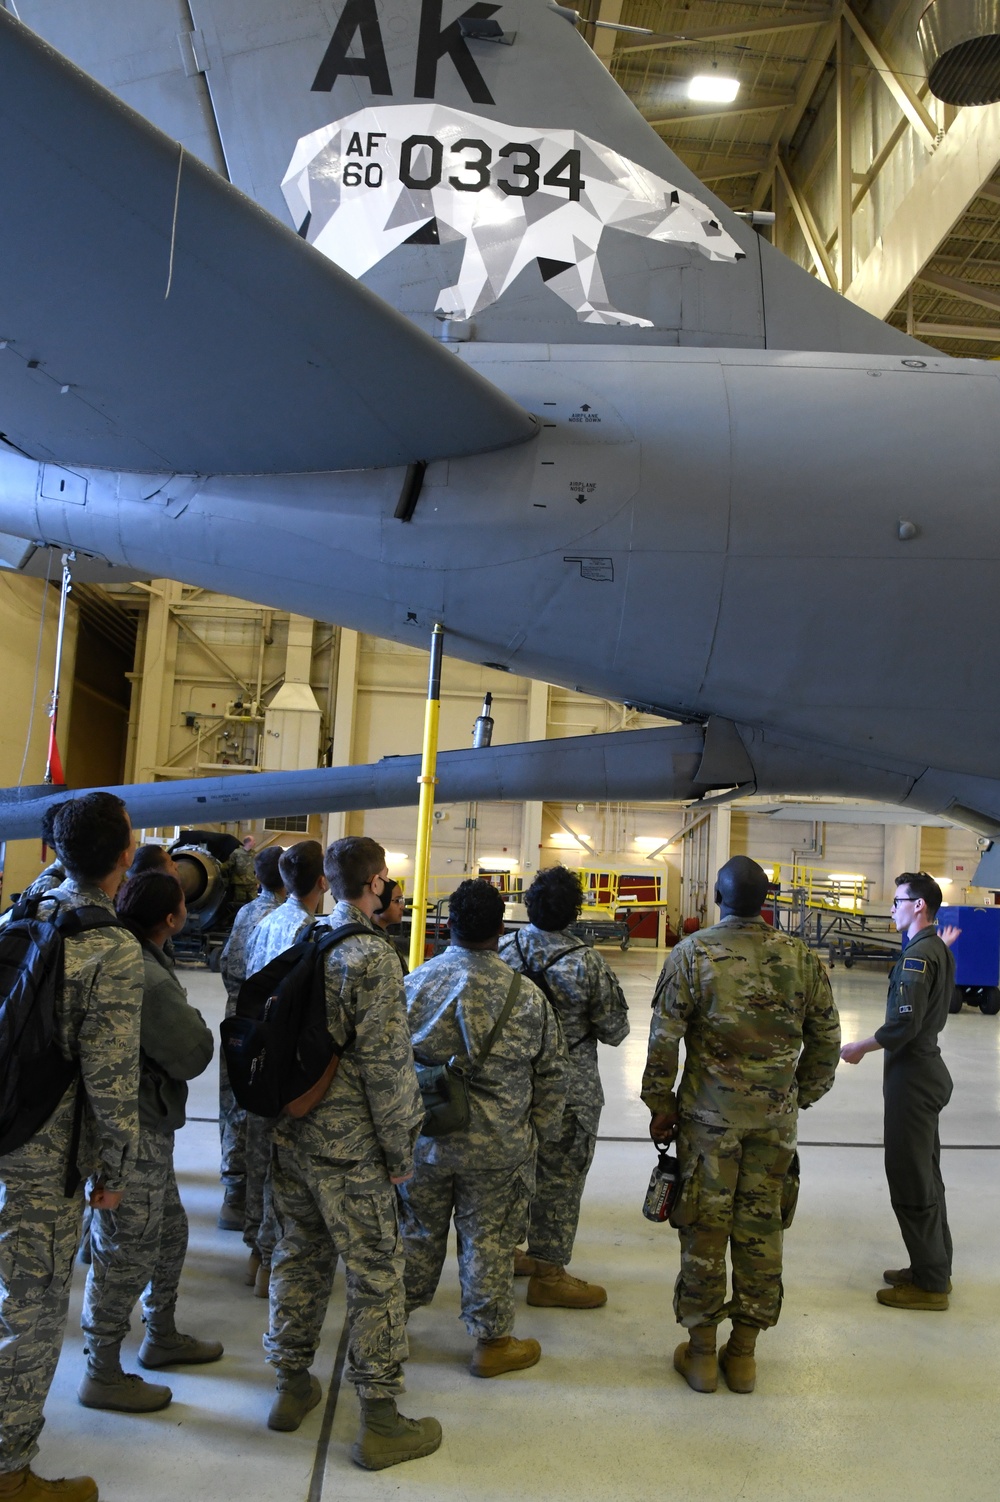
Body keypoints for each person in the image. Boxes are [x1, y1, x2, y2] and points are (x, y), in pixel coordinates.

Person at [263, 836, 440, 1471]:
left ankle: (289, 1387)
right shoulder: (371, 957)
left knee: (298, 1256)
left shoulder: (300, 936)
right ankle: (381, 1420)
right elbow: (389, 1070)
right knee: (376, 1275)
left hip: (292, 1137)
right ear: (374, 885)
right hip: (351, 1153)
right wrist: (400, 1153)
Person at [641, 855, 840, 1395]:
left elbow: (664, 1039)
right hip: (773, 1125)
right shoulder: (800, 957)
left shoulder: (693, 953)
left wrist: (660, 1105)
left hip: (708, 1122)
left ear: (718, 900)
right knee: (762, 1231)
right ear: (767, 900)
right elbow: (826, 1042)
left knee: (704, 1229)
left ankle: (702, 1354)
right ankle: (744, 1355)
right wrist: (797, 1096)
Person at [0, 792, 143, 1502]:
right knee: (27, 1314)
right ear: (126, 855)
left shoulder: (21, 913)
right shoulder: (108, 947)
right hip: (39, 1155)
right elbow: (111, 1079)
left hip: (1, 1126)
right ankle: (9, 1472)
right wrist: (111, 1173)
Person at [399, 879, 566, 1378]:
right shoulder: (528, 998)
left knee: (415, 1234)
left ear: (446, 924)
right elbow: (553, 1075)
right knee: (488, 1242)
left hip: (426, 1142)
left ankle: (390, 1324)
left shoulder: (415, 985)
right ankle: (492, 1344)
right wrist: (533, 1133)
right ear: (500, 930)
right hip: (499, 1149)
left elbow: (386, 1066)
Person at [78, 871, 220, 1413]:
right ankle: (102, 1371)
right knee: (124, 1254)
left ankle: (160, 1335)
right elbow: (193, 1052)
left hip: (143, 1130)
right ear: (171, 918)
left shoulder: (134, 955)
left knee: (170, 1235)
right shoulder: (147, 977)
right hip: (130, 1133)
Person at [500, 865, 629, 1308]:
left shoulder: (502, 952)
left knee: (512, 1171)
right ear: (574, 912)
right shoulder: (587, 963)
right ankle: (549, 1274)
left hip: (510, 1087)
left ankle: (510, 1253)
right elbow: (615, 1030)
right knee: (561, 1177)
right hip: (570, 1091)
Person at [840, 871, 955, 1311]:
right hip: (925, 1072)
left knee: (910, 1177)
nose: (891, 908)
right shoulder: (934, 948)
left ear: (918, 906)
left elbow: (904, 1023)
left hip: (913, 1075)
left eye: (897, 901)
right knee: (927, 1174)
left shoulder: (916, 958)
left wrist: (861, 1047)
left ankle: (929, 1284)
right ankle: (933, 1268)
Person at [241, 841, 327, 1298]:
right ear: (322, 882)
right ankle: (272, 1264)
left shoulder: (266, 922)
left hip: (255, 1052)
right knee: (285, 1167)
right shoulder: (310, 932)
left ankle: (257, 1253)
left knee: (260, 1160)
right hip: (285, 1062)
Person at [216, 846, 286, 1247]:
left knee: (232, 1106)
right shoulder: (282, 920)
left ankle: (234, 1191)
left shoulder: (245, 913)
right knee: (256, 1109)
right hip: (261, 1026)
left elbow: (227, 963)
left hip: (235, 1019)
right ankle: (249, 1195)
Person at [372, 879, 408, 971]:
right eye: (397, 901)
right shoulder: (374, 942)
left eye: (401, 900)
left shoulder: (382, 935)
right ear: (380, 902)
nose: (402, 906)